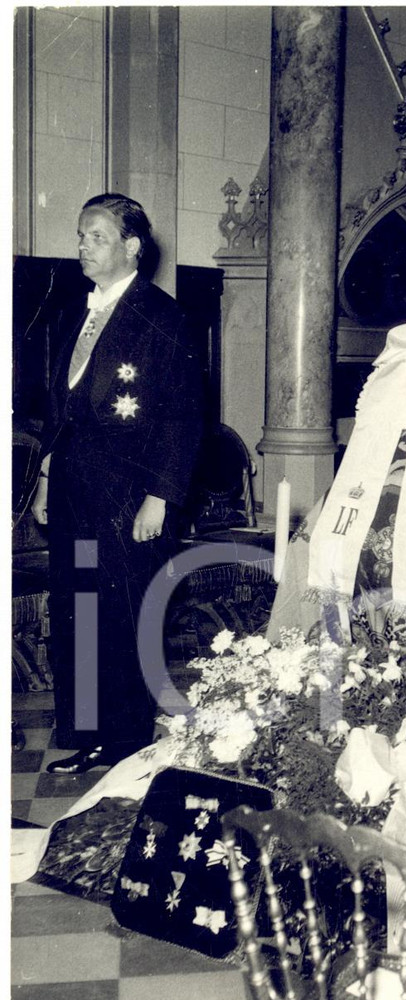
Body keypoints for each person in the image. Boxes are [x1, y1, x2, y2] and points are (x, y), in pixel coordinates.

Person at [31, 193, 204, 774]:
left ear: (132, 247)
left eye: (97, 236)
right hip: (77, 487)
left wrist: (162, 495)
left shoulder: (163, 316)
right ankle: (86, 731)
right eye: (81, 235)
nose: (83, 244)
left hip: (130, 493)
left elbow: (183, 415)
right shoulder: (76, 313)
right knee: (78, 607)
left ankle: (127, 738)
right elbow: (62, 411)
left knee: (122, 613)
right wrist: (47, 480)